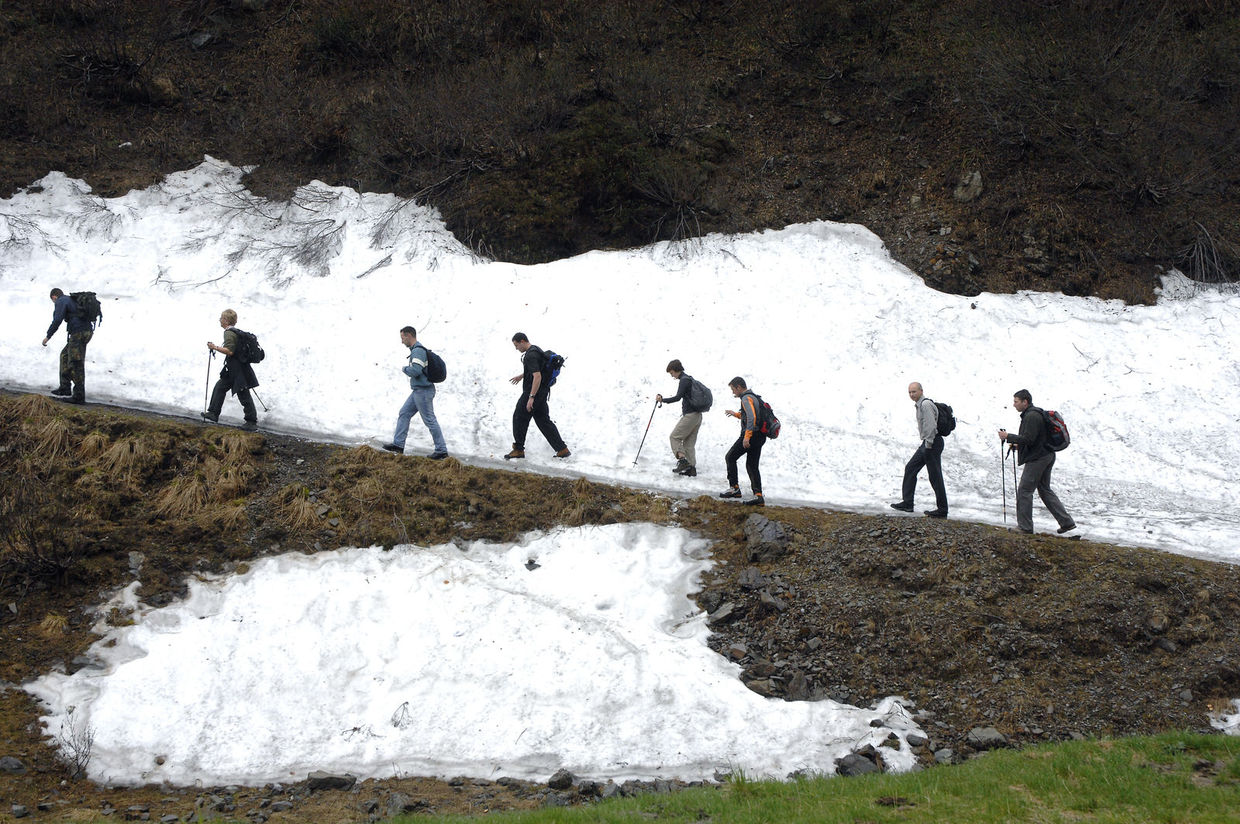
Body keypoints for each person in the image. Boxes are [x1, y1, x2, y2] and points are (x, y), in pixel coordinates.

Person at [998, 389, 1076, 535]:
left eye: (1016, 401)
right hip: (1047, 455)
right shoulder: (1035, 414)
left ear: (1025, 402)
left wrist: (1008, 436)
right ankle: (1067, 522)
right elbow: (1036, 438)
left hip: (1038, 458)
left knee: (1025, 490)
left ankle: (1025, 527)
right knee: (1044, 489)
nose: (1014, 404)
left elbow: (1029, 439)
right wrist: (1016, 444)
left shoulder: (1032, 416)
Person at [383, 326, 448, 459]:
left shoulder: (417, 352)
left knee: (430, 420)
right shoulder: (417, 350)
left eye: (402, 338)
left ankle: (441, 450)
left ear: (409, 336)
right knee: (404, 413)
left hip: (423, 392)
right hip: (418, 391)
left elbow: (416, 371)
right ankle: (398, 445)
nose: (402, 341)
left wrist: (405, 368)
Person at [505, 332, 570, 460]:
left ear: (522, 341)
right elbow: (538, 370)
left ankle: (518, 449)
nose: (516, 348)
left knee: (519, 417)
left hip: (533, 393)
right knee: (543, 421)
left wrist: (531, 397)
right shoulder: (536, 350)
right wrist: (521, 376)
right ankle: (562, 449)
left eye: (516, 345)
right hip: (543, 392)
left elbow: (537, 376)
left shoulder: (530, 355)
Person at [890, 381, 948, 518]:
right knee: (910, 468)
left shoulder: (926, 405)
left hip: (932, 443)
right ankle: (907, 503)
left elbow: (930, 426)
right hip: (928, 443)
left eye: (914, 391)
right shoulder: (919, 405)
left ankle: (942, 509)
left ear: (921, 391)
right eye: (910, 392)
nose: (911, 394)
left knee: (935, 477)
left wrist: (928, 445)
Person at [201, 309, 259, 431]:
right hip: (234, 368)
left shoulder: (229, 333)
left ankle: (251, 421)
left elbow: (230, 351)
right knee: (220, 386)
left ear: (226, 320)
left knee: (243, 393)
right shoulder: (236, 332)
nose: (220, 320)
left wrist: (214, 347)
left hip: (237, 370)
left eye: (221, 318)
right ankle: (213, 413)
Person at [719, 377, 766, 506]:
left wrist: (747, 436)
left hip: (751, 435)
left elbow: (752, 417)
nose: (733, 393)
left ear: (739, 387)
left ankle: (734, 488)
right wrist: (735, 414)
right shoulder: (753, 397)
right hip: (760, 436)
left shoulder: (745, 398)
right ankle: (758, 496)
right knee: (752, 465)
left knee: (730, 457)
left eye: (733, 389)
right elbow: (749, 414)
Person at [42, 288, 93, 404]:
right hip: (86, 331)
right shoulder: (71, 300)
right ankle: (65, 387)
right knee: (65, 355)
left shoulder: (61, 301)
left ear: (54, 297)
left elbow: (57, 320)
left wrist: (48, 336)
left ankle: (79, 396)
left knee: (76, 362)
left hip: (78, 333)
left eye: (53, 301)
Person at [656, 359, 703, 476]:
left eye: (671, 373)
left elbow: (677, 397)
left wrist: (663, 400)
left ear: (676, 370)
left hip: (690, 415)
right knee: (689, 444)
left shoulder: (684, 380)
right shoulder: (689, 378)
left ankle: (682, 461)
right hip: (698, 415)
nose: (672, 376)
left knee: (674, 437)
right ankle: (691, 469)